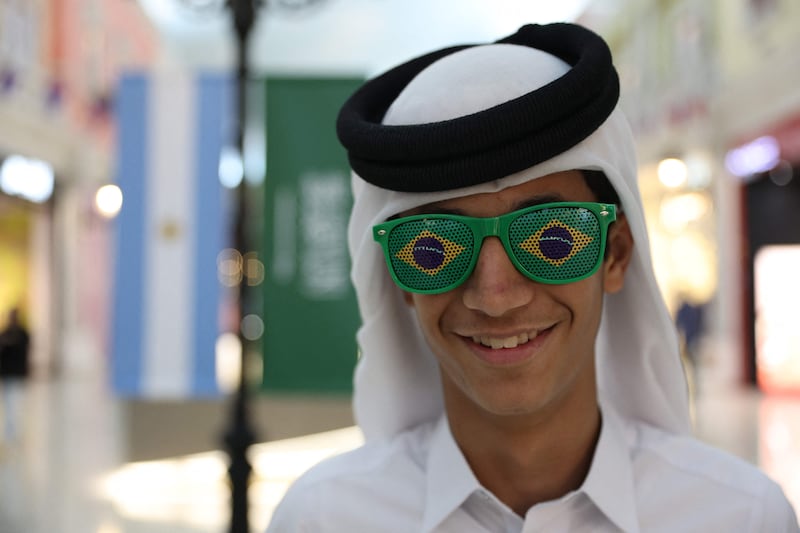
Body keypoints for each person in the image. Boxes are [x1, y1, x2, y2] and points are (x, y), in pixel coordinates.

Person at [267, 23, 799, 531]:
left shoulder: (741, 517)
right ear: (401, 279)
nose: (495, 296)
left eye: (551, 239)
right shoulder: (323, 519)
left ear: (614, 254)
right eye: (433, 249)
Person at [0, 307, 30, 443]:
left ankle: (15, 431)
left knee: (16, 402)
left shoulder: (23, 334)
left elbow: (25, 351)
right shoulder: (5, 333)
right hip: (7, 374)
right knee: (9, 403)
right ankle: (10, 431)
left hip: (17, 374)